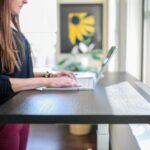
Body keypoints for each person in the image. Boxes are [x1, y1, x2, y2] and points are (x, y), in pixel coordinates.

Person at [0, 0, 80, 150]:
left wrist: (50, 76)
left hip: (20, 112)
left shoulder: (11, 23)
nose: (25, 1)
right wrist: (44, 82)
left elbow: (18, 73)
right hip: (5, 117)